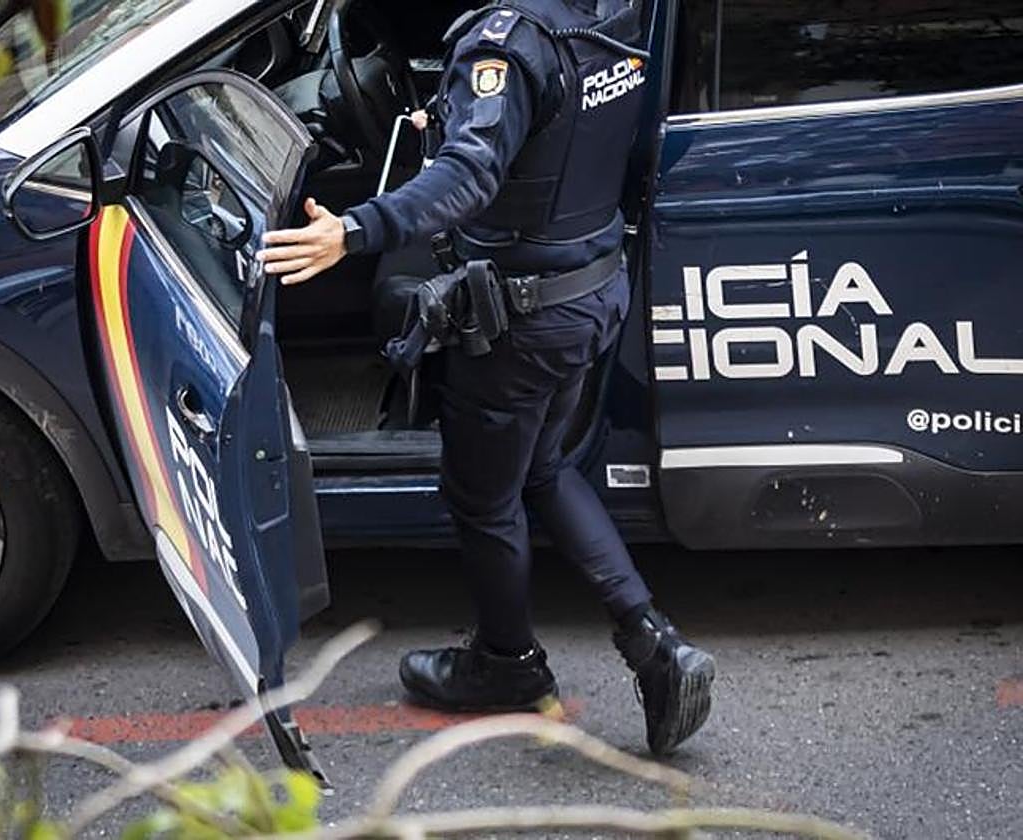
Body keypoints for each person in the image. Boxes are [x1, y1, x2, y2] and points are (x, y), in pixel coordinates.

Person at [258, 0, 715, 755]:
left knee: (482, 496)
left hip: (521, 321)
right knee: (542, 466)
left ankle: (508, 665)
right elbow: (558, 132)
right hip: (589, 289)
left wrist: (354, 230)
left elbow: (470, 174)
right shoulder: (614, 12)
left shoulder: (506, 44)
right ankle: (654, 642)